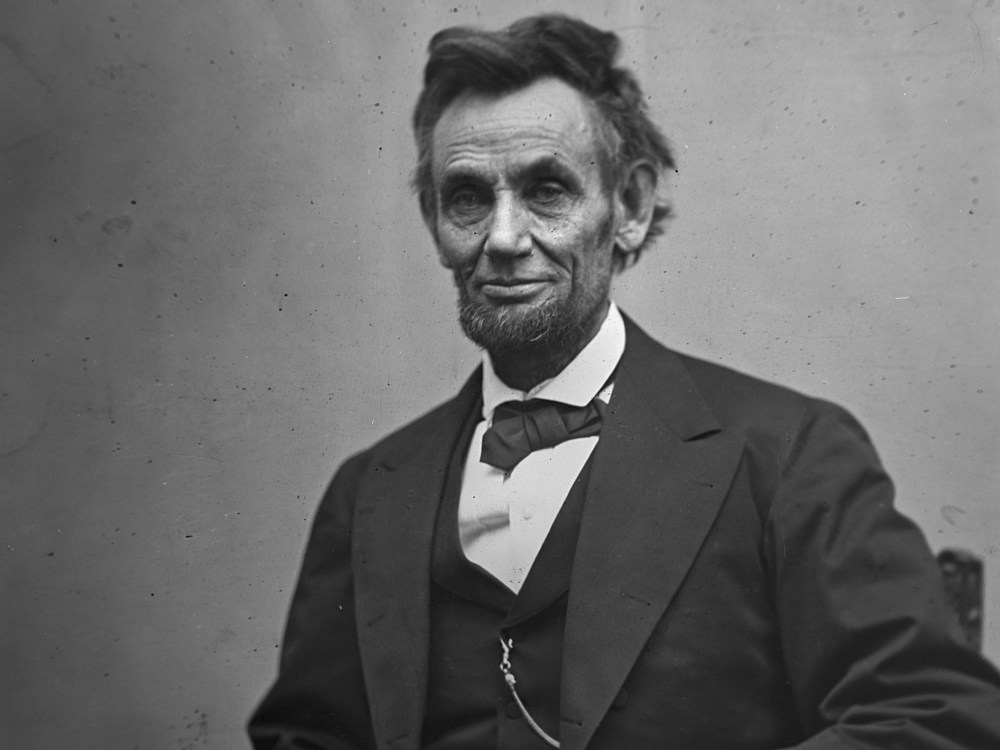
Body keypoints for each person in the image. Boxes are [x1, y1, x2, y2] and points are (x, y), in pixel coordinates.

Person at [249, 14, 1000, 750]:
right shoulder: (372, 489)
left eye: (547, 190)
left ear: (631, 207)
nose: (504, 240)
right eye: (469, 197)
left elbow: (934, 716)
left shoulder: (791, 455)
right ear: (435, 220)